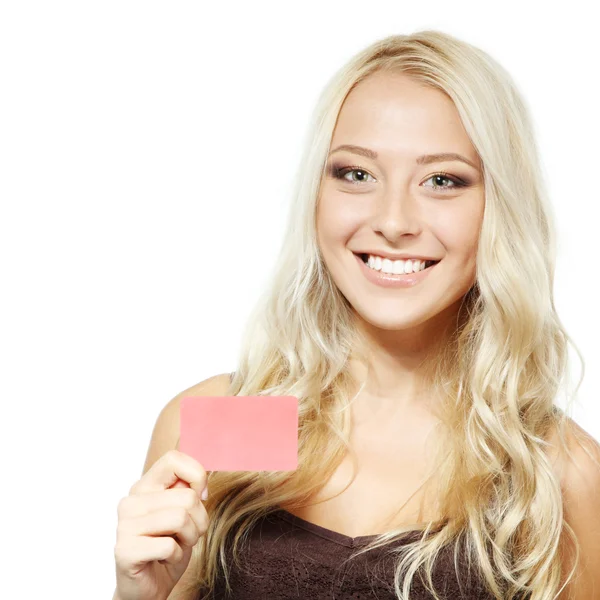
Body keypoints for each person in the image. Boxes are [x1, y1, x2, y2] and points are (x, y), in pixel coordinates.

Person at [113, 29, 600, 600]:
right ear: (316, 195)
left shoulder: (549, 473)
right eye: (356, 174)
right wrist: (138, 593)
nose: (393, 221)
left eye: (442, 180)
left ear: (499, 207)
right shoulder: (231, 424)